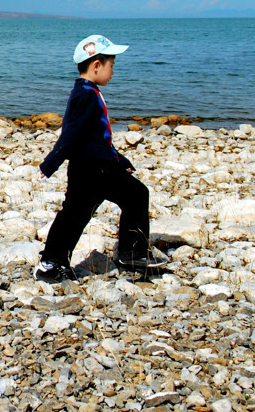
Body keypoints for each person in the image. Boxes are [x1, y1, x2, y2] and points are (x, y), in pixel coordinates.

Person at [34, 34, 166, 284]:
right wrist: (51, 162)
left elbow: (95, 138)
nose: (113, 72)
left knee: (74, 215)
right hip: (96, 169)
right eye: (111, 66)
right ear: (96, 66)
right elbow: (71, 133)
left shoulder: (85, 91)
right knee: (136, 196)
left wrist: (121, 161)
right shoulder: (86, 96)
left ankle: (52, 262)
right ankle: (132, 253)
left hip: (91, 167)